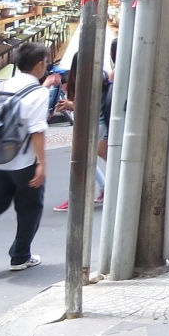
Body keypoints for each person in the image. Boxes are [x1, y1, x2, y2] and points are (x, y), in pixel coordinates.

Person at [0, 43, 50, 271]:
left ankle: (21, 255)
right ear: (39, 64)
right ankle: (20, 256)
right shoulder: (39, 92)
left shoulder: (3, 86)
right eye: (46, 62)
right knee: (30, 208)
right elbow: (37, 130)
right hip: (23, 163)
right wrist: (41, 164)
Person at [52, 44, 113, 211]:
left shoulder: (90, 79)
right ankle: (104, 189)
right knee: (85, 160)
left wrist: (71, 105)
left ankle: (77, 198)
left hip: (94, 125)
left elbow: (88, 107)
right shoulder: (100, 75)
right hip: (98, 124)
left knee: (79, 161)